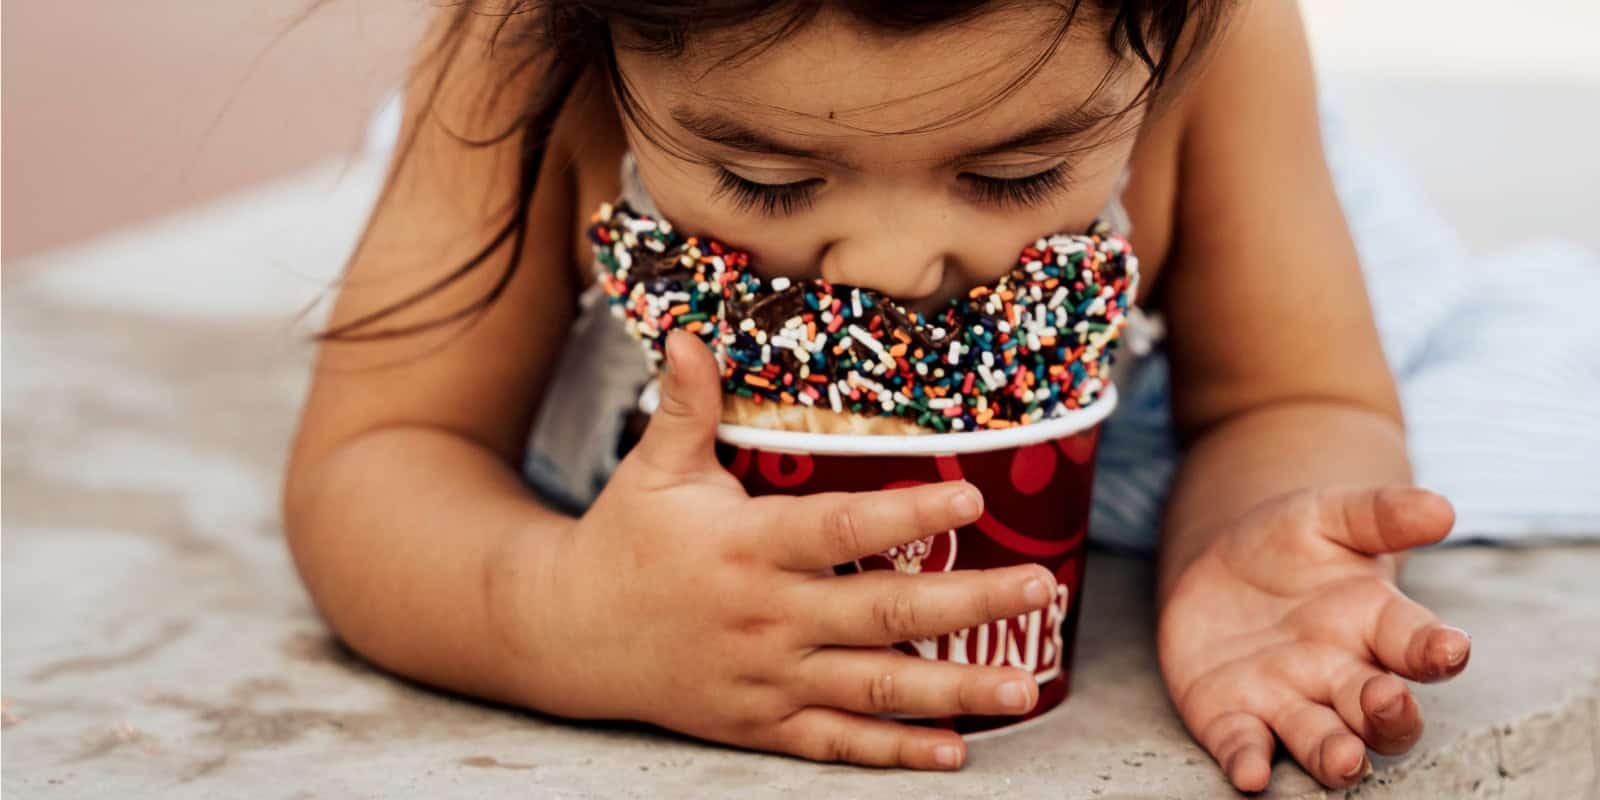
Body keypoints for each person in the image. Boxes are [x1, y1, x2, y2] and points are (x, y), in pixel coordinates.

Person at [282, 1, 1474, 790]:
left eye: (1021, 171)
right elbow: (381, 448)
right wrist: (561, 611)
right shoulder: (517, 43)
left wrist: (1240, 541)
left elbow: (1292, 390)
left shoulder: (1212, 31)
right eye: (767, 177)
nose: (895, 267)